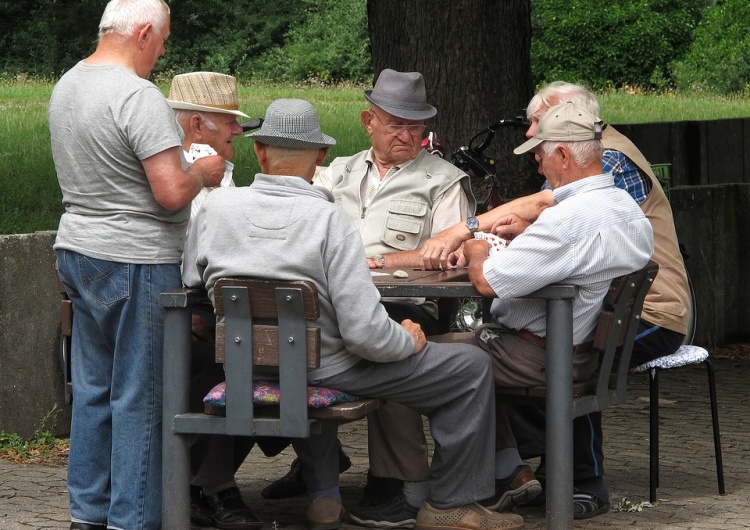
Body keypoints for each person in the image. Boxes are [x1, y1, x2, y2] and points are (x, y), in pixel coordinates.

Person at [182, 97, 525, 530]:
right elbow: (365, 336)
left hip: (242, 364)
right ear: (322, 156)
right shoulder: (330, 221)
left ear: (260, 151)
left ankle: (328, 491)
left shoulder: (214, 209)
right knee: (471, 364)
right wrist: (407, 338)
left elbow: (192, 282)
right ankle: (450, 503)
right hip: (326, 369)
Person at [264, 68, 482, 518]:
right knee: (293, 335)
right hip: (329, 309)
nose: (406, 134)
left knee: (390, 339)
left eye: (415, 126)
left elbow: (447, 255)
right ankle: (319, 469)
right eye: (395, 123)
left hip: (407, 303)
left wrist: (382, 263)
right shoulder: (333, 173)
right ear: (368, 121)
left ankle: (394, 483)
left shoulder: (443, 180)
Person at [49, 1, 226, 529]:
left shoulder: (67, 85)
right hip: (137, 259)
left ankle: (89, 515)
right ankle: (132, 520)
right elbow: (170, 191)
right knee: (140, 399)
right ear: (143, 32)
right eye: (165, 39)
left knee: (94, 392)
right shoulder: (137, 95)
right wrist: (206, 170)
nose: (165, 49)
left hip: (78, 250)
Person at [446, 100, 654, 517]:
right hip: (582, 350)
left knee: (411, 358)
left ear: (562, 155)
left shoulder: (570, 218)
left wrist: (475, 248)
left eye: (540, 154)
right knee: (460, 351)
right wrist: (530, 236)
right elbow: (577, 256)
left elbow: (487, 282)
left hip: (542, 355)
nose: (537, 164)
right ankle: (509, 473)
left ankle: (420, 494)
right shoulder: (624, 208)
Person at [502, 81, 692, 519]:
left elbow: (570, 216)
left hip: (654, 312)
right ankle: (541, 470)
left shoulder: (610, 159)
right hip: (620, 303)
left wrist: (472, 228)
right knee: (547, 337)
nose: (530, 132)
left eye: (537, 122)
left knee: (574, 348)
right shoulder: (597, 154)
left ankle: (581, 481)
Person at [167, 70, 262, 530]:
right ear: (198, 126)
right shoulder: (196, 168)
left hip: (202, 301)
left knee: (261, 349)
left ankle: (203, 484)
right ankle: (211, 486)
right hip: (182, 303)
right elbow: (203, 257)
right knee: (240, 360)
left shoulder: (203, 165)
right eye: (229, 121)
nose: (239, 131)